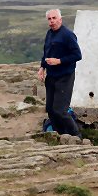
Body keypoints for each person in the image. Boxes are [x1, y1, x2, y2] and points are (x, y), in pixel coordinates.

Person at [37, 9, 83, 137]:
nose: (52, 21)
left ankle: (76, 136)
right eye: (49, 19)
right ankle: (59, 135)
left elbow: (77, 55)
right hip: (51, 76)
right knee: (50, 109)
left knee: (60, 110)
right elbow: (46, 53)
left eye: (54, 18)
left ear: (60, 19)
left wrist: (59, 61)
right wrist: (42, 67)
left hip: (65, 76)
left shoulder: (68, 35)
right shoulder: (49, 33)